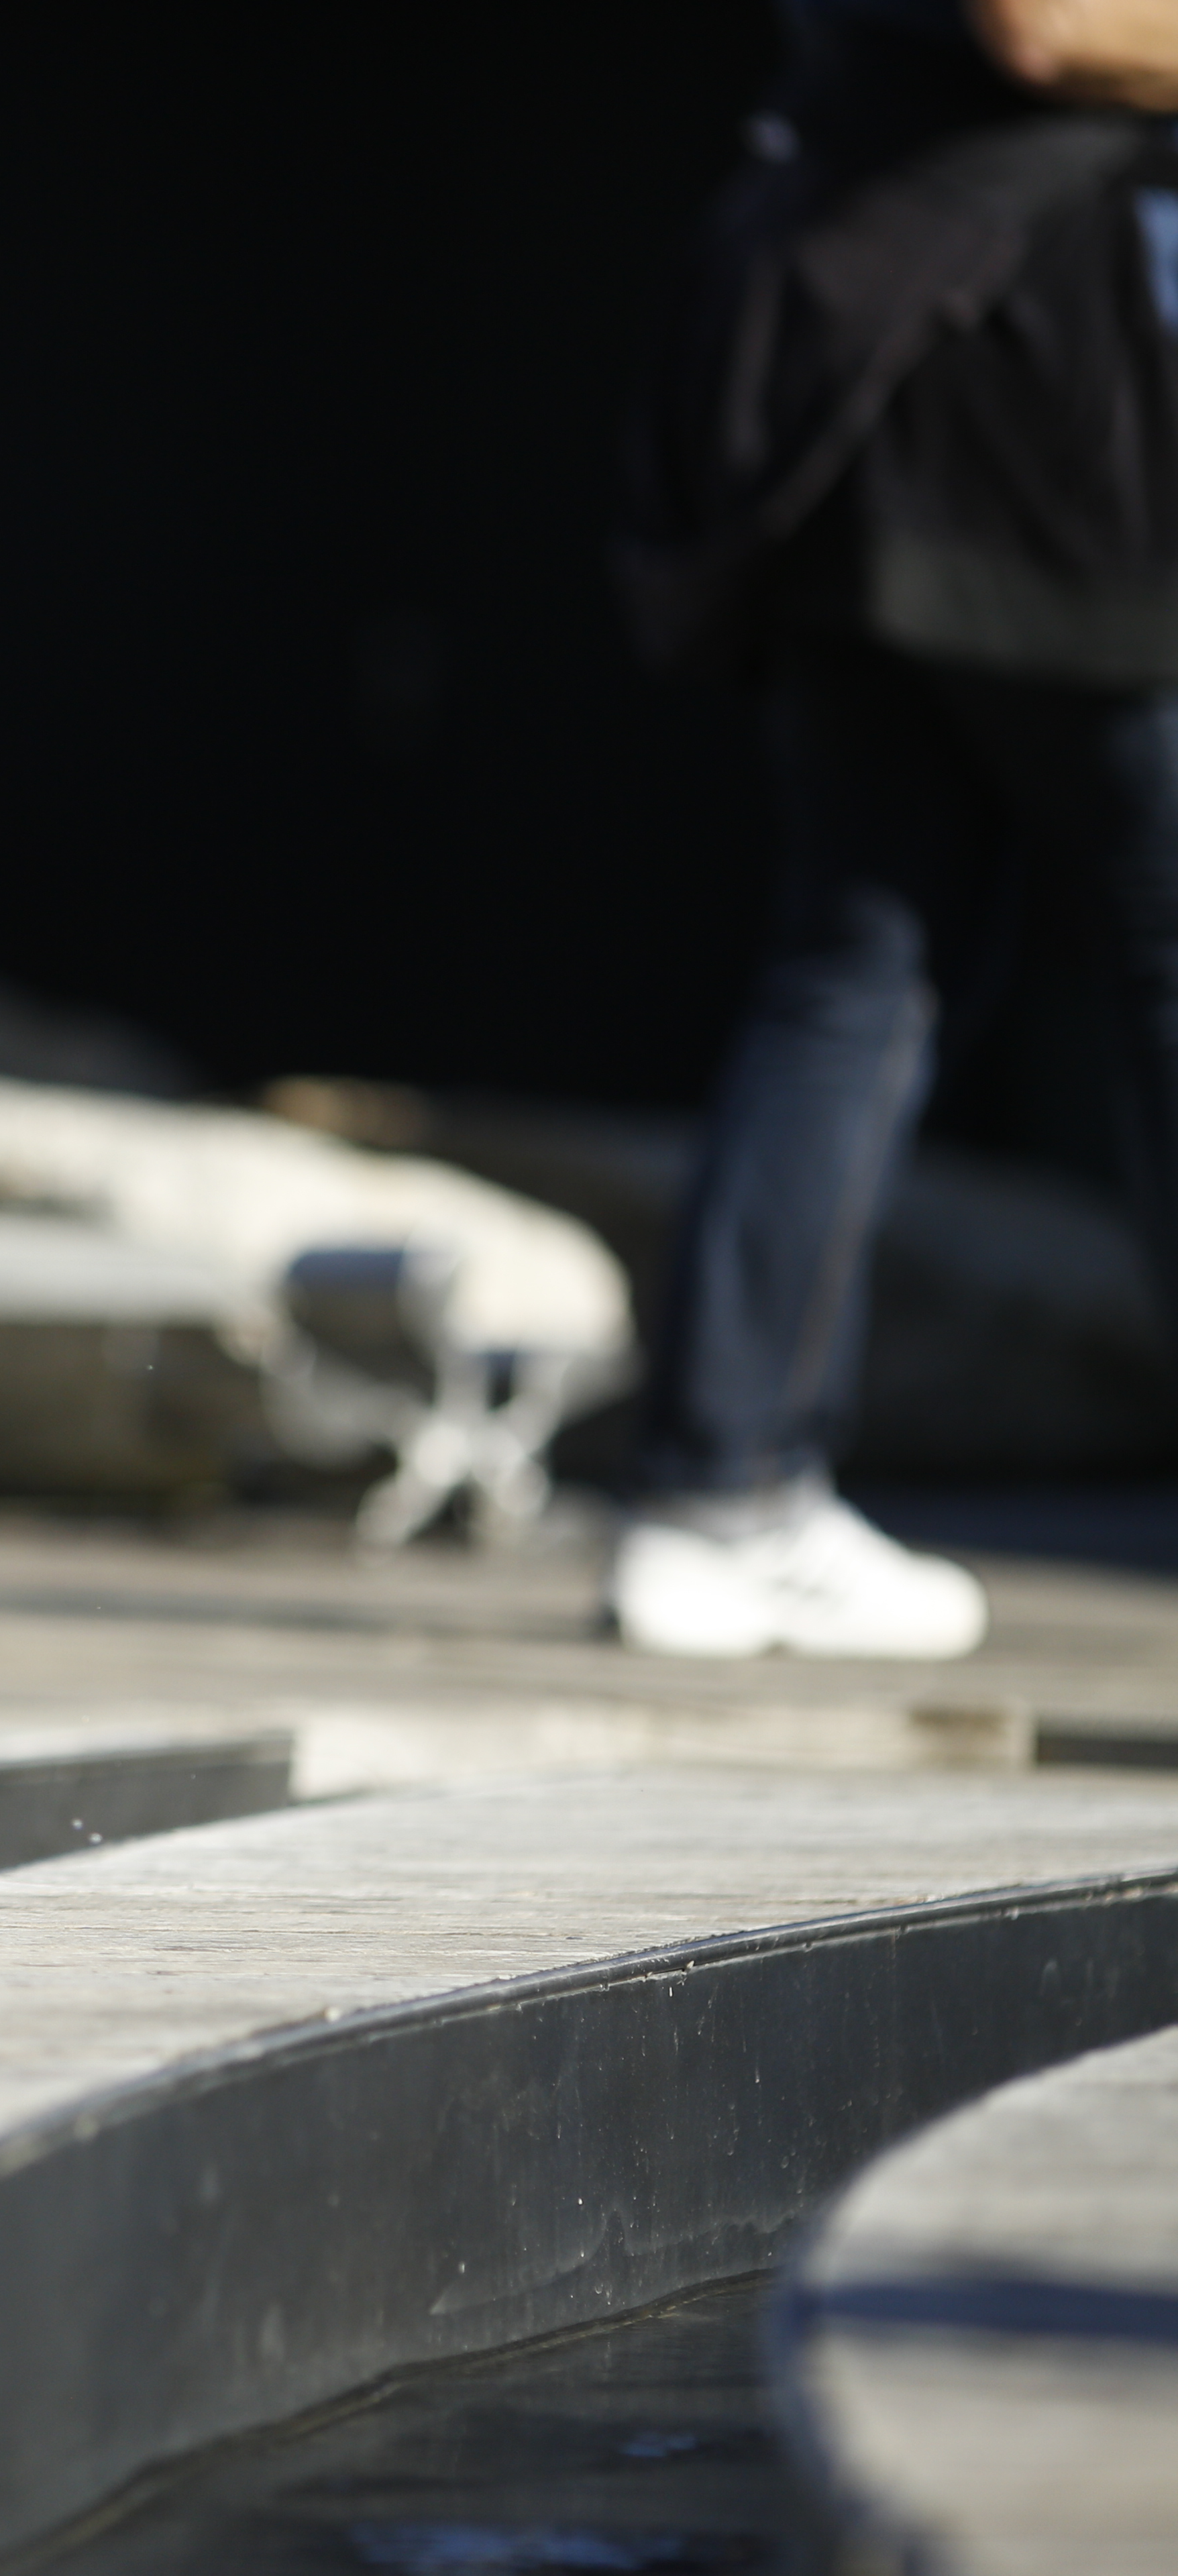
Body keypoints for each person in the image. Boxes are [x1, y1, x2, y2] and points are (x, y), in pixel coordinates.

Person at [610, 0, 1178, 1657]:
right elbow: (1046, 22)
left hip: (893, 393)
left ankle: (722, 1494)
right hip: (1020, 415)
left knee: (861, 958)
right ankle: (722, 1491)